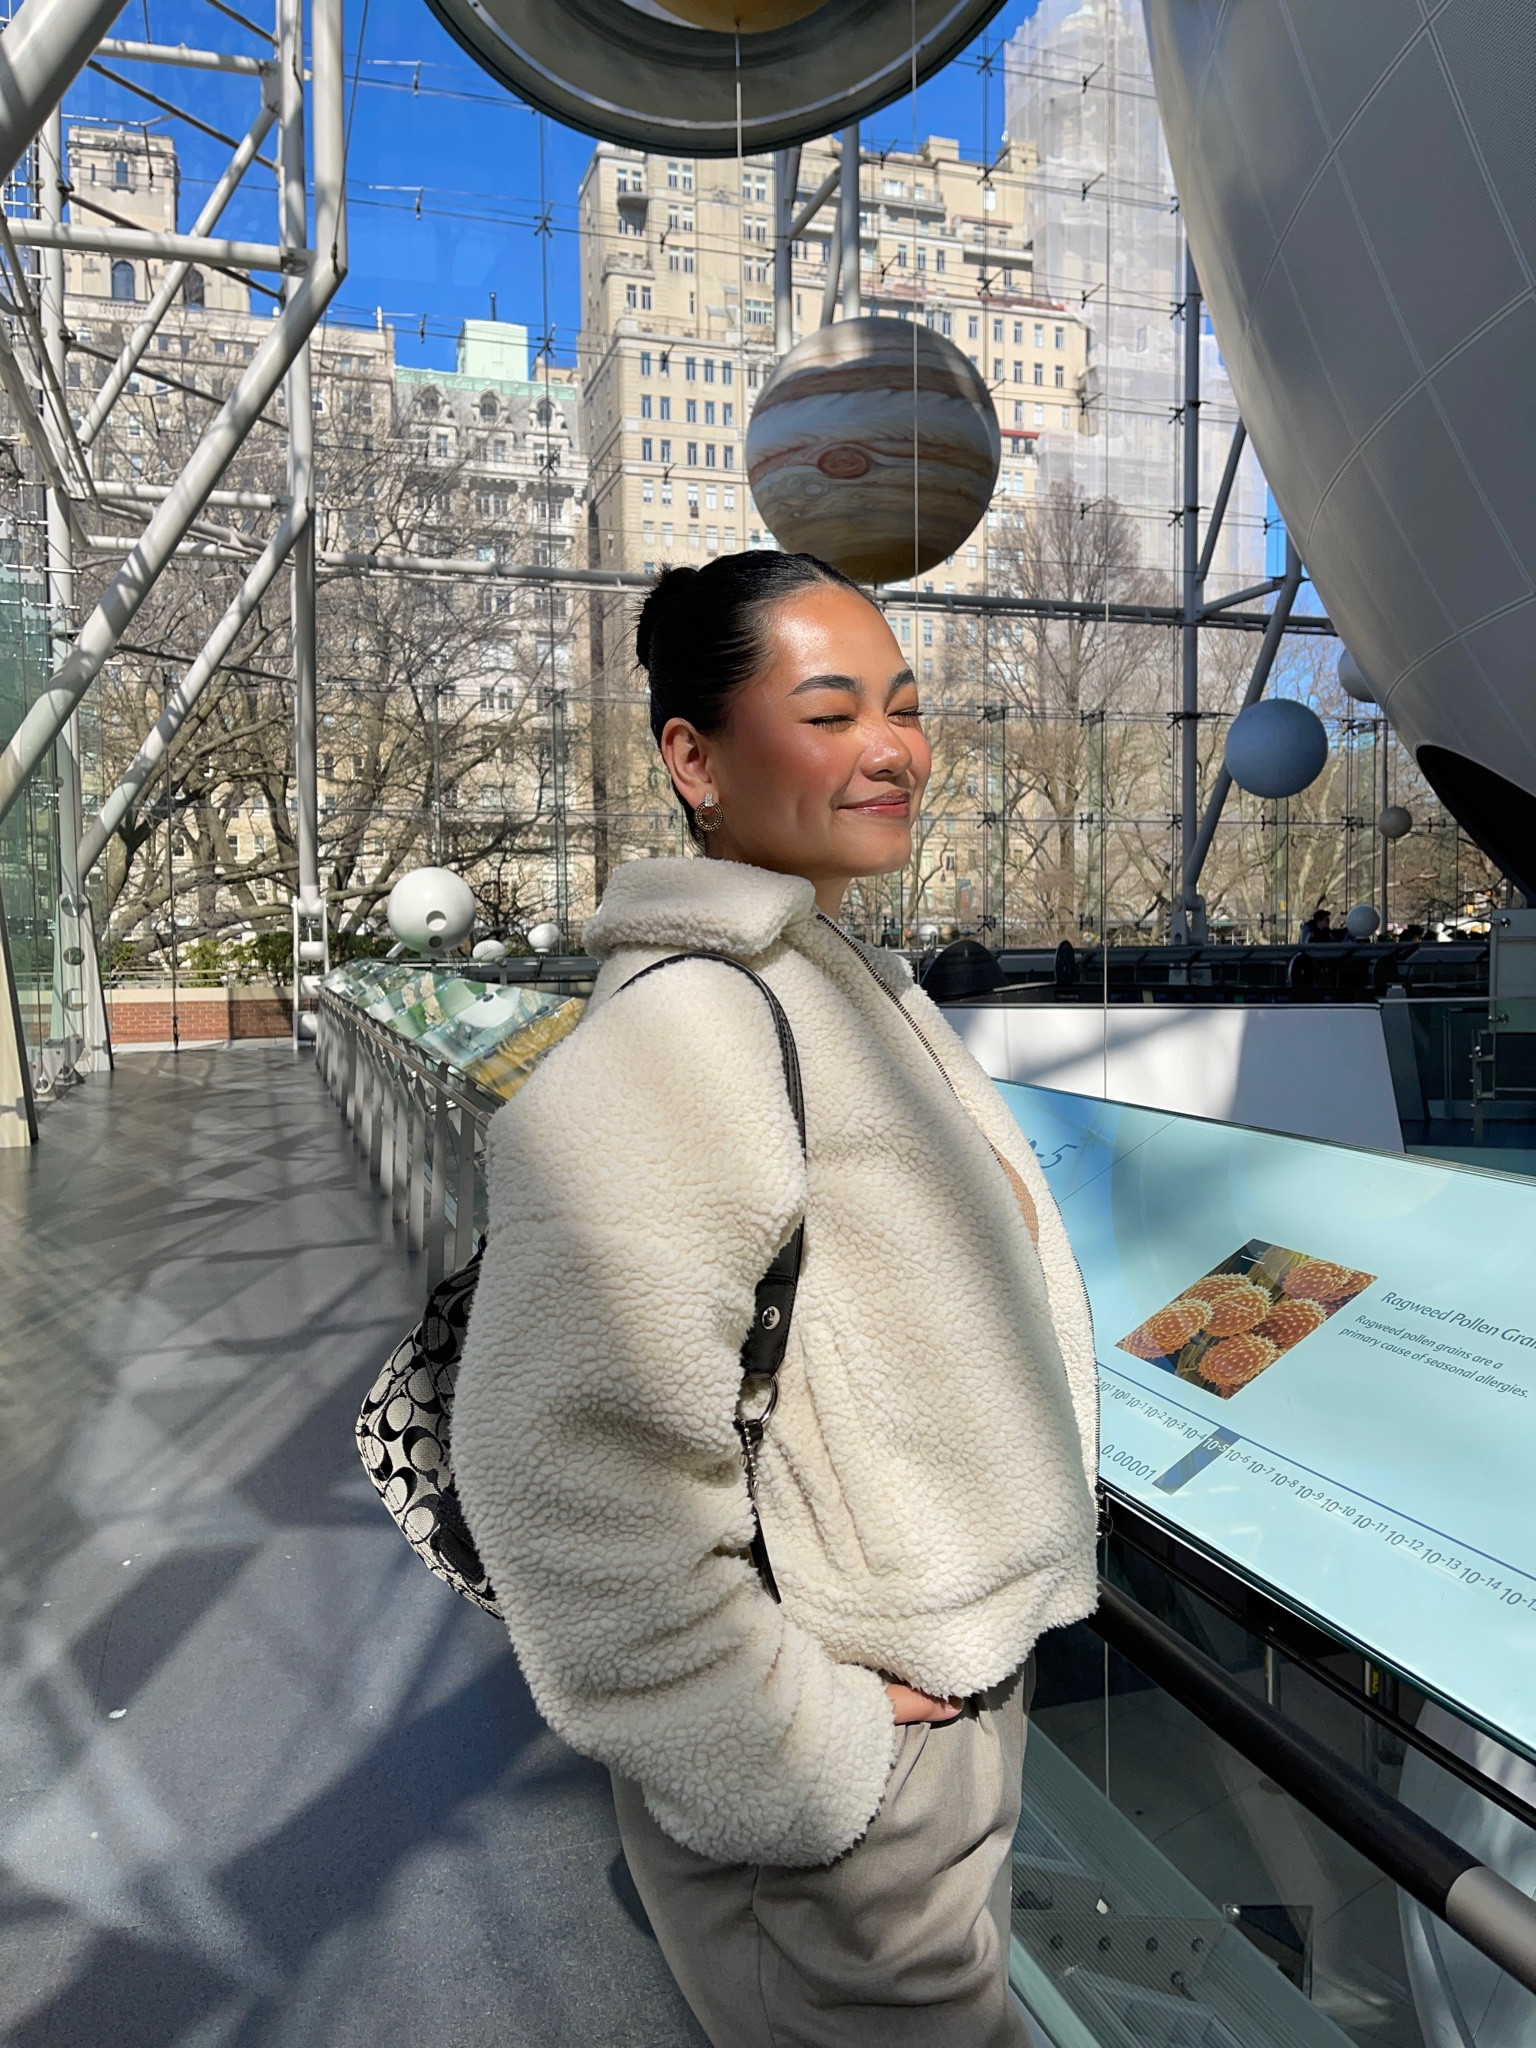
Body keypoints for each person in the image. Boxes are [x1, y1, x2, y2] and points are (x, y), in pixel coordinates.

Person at [452, 551, 1100, 2047]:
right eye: (828, 713)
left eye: (906, 707)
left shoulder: (830, 985)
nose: (892, 749)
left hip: (919, 1708)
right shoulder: (695, 1028)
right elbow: (560, 1463)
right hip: (843, 1789)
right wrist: (795, 1752)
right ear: (695, 761)